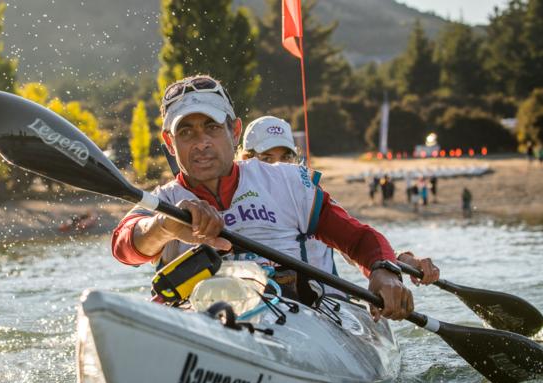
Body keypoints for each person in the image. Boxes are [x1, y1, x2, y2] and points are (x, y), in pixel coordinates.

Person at [111, 74, 440, 322]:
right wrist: (164, 228)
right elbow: (123, 246)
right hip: (204, 329)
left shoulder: (286, 181)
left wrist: (382, 271)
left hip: (296, 323)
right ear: (169, 143)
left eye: (211, 128)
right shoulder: (162, 201)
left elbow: (358, 238)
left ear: (234, 131)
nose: (201, 143)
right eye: (186, 133)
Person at [239, 115, 345, 299]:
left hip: (331, 304)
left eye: (286, 157)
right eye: (267, 158)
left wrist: (388, 262)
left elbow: (350, 242)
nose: (279, 166)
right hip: (270, 302)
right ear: (247, 159)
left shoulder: (312, 198)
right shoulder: (238, 208)